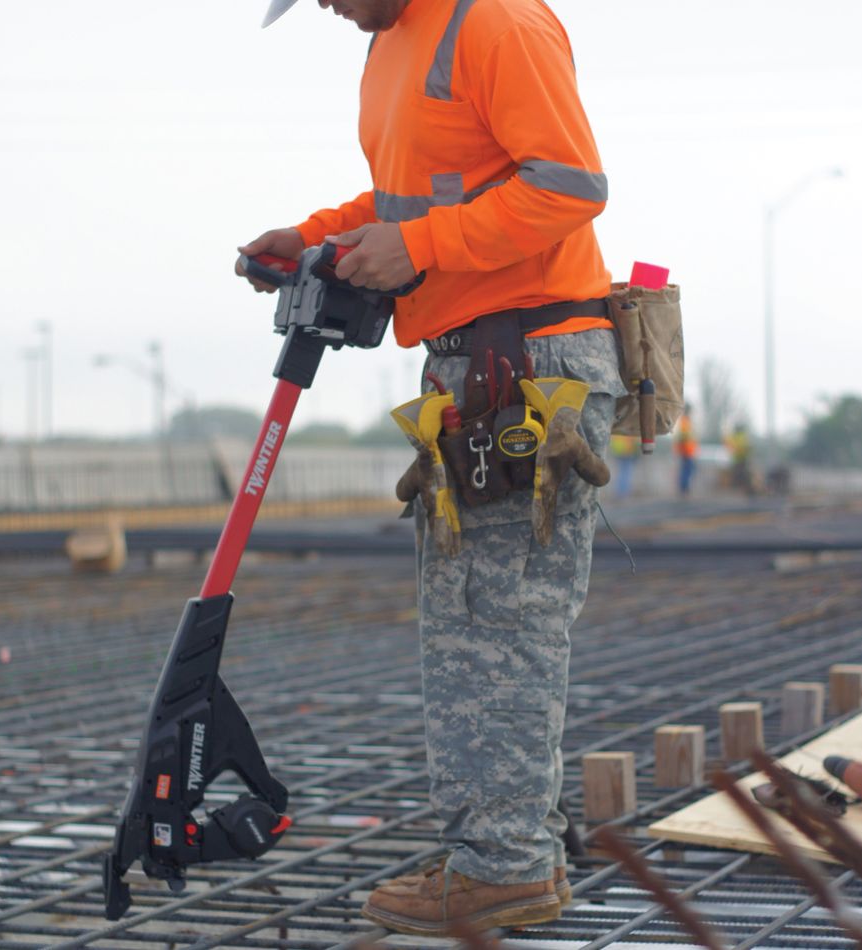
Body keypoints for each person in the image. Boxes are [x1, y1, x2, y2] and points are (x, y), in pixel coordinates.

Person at [237, 0, 624, 936]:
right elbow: (410, 201)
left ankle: (505, 867)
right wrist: (317, 235)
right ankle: (506, 852)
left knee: (501, 626)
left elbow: (570, 186)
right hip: (468, 363)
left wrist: (419, 247)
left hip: (532, 360)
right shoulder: (390, 45)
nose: (326, 4)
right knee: (472, 624)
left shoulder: (496, 22)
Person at [673, 404, 698, 497]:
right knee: (686, 470)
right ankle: (684, 488)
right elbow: (683, 437)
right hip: (686, 451)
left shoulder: (687, 421)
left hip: (688, 451)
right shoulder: (685, 421)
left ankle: (684, 487)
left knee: (688, 469)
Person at [725, 422, 754, 496]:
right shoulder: (741, 436)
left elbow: (743, 447)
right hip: (740, 459)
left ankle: (742, 488)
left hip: (741, 459)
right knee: (741, 473)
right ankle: (741, 487)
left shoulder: (738, 437)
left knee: (742, 473)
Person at [609, 434, 640, 499]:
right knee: (626, 472)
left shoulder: (617, 428)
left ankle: (619, 491)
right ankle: (622, 492)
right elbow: (635, 441)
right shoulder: (629, 428)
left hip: (618, 451)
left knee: (622, 472)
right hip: (627, 451)